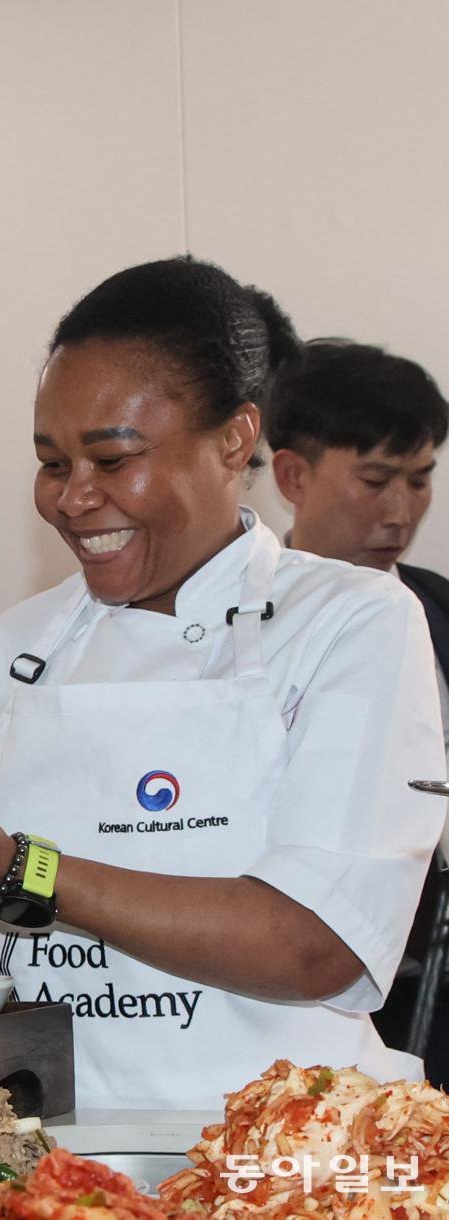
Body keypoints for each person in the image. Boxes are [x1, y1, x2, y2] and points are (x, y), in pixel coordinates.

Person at [0, 257, 447, 1112]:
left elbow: (315, 946)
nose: (73, 499)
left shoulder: (350, 621)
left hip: (291, 1144)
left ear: (234, 440)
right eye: (52, 463)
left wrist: (29, 870)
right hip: (63, 1146)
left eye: (112, 459)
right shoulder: (7, 659)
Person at [265, 337, 449, 1075]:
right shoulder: (236, 627)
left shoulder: (440, 611)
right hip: (290, 996)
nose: (400, 512)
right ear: (292, 474)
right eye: (376, 480)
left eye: (420, 480)